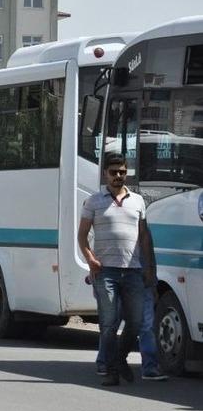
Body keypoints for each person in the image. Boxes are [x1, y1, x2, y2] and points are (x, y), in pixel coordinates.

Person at [78, 152, 156, 386]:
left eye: (122, 172)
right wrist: (90, 258)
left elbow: (143, 236)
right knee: (109, 324)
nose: (119, 176)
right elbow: (82, 236)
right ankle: (111, 370)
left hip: (133, 271)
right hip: (106, 273)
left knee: (135, 322)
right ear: (105, 174)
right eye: (114, 173)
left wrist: (149, 266)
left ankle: (120, 358)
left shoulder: (138, 200)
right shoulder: (94, 201)